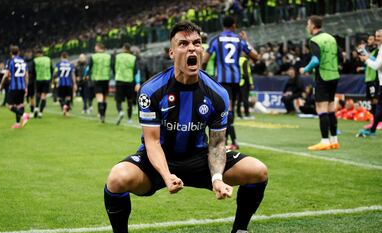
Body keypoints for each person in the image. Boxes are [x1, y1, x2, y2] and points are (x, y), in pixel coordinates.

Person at [103, 21, 268, 233]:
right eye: (183, 44)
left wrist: (217, 178)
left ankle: (240, 230)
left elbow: (217, 143)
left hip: (200, 159)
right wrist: (166, 175)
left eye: (197, 43)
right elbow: (152, 142)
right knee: (118, 178)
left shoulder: (218, 94)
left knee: (257, 170)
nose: (192, 48)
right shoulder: (151, 90)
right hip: (159, 160)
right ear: (172, 53)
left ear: (201, 50)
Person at [202, 15, 259, 150]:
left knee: (224, 110)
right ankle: (229, 141)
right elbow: (255, 56)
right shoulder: (239, 40)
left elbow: (205, 60)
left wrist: (202, 73)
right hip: (236, 80)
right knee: (230, 109)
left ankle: (224, 142)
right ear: (234, 25)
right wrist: (247, 41)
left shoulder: (216, 39)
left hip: (222, 80)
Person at [300, 15, 342, 150]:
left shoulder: (314, 40)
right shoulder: (331, 38)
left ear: (313, 25)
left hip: (322, 76)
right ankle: (334, 140)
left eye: (308, 24)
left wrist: (305, 69)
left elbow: (316, 60)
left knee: (321, 108)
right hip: (334, 75)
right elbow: (340, 56)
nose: (307, 27)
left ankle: (324, 141)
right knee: (331, 108)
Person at [356, 29, 382, 137]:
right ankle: (373, 129)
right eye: (376, 36)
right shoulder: (379, 49)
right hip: (378, 81)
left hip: (377, 81)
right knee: (378, 105)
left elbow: (376, 66)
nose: (377, 38)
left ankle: (373, 129)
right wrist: (366, 56)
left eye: (379, 36)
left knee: (378, 105)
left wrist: (365, 59)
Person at [0, 45, 29, 129]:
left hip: (14, 87)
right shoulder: (23, 61)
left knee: (10, 105)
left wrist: (1, 84)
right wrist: (26, 87)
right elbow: (26, 75)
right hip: (22, 86)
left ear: (11, 53)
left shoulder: (10, 61)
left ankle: (24, 115)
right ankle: (17, 123)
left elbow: (6, 74)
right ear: (18, 52)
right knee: (19, 105)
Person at [114, 43, 140, 125]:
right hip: (129, 81)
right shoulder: (133, 58)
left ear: (123, 48)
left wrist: (117, 74)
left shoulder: (118, 56)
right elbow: (136, 71)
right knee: (130, 100)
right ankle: (129, 118)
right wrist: (137, 83)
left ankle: (120, 111)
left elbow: (114, 67)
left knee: (118, 100)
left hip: (119, 80)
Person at [87, 43, 112, 123]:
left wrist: (86, 75)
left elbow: (88, 68)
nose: (94, 48)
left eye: (95, 47)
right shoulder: (108, 56)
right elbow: (112, 67)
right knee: (105, 98)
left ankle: (101, 115)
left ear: (98, 48)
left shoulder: (93, 56)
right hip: (106, 79)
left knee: (99, 98)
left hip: (97, 79)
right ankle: (103, 115)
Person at [32, 48, 53, 118]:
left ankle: (36, 108)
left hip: (38, 79)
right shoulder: (48, 59)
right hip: (47, 79)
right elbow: (51, 69)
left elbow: (33, 71)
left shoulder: (35, 60)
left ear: (37, 54)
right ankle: (40, 112)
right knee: (43, 96)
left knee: (38, 94)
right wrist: (50, 78)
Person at [55, 52, 76, 116]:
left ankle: (63, 106)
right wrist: (74, 83)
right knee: (68, 97)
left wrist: (54, 82)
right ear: (67, 57)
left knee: (60, 97)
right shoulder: (71, 64)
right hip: (69, 83)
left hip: (61, 83)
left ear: (61, 57)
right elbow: (73, 75)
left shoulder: (58, 64)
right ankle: (66, 109)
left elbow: (55, 73)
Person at [237, 54, 255, 119]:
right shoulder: (244, 60)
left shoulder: (237, 59)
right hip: (245, 82)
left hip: (238, 81)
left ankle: (239, 114)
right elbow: (247, 73)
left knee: (239, 99)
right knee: (245, 99)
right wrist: (250, 83)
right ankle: (247, 114)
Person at [24, 49, 36, 116]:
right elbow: (35, 71)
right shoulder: (33, 61)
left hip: (25, 81)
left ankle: (26, 111)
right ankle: (32, 111)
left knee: (28, 96)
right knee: (32, 96)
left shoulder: (23, 61)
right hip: (31, 80)